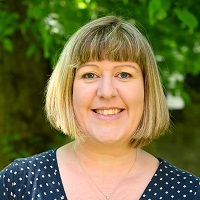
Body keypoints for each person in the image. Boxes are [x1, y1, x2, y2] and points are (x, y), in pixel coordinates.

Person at [0, 15, 199, 200]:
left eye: (124, 74)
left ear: (147, 90)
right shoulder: (19, 184)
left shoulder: (188, 192)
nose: (106, 92)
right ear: (68, 89)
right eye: (90, 75)